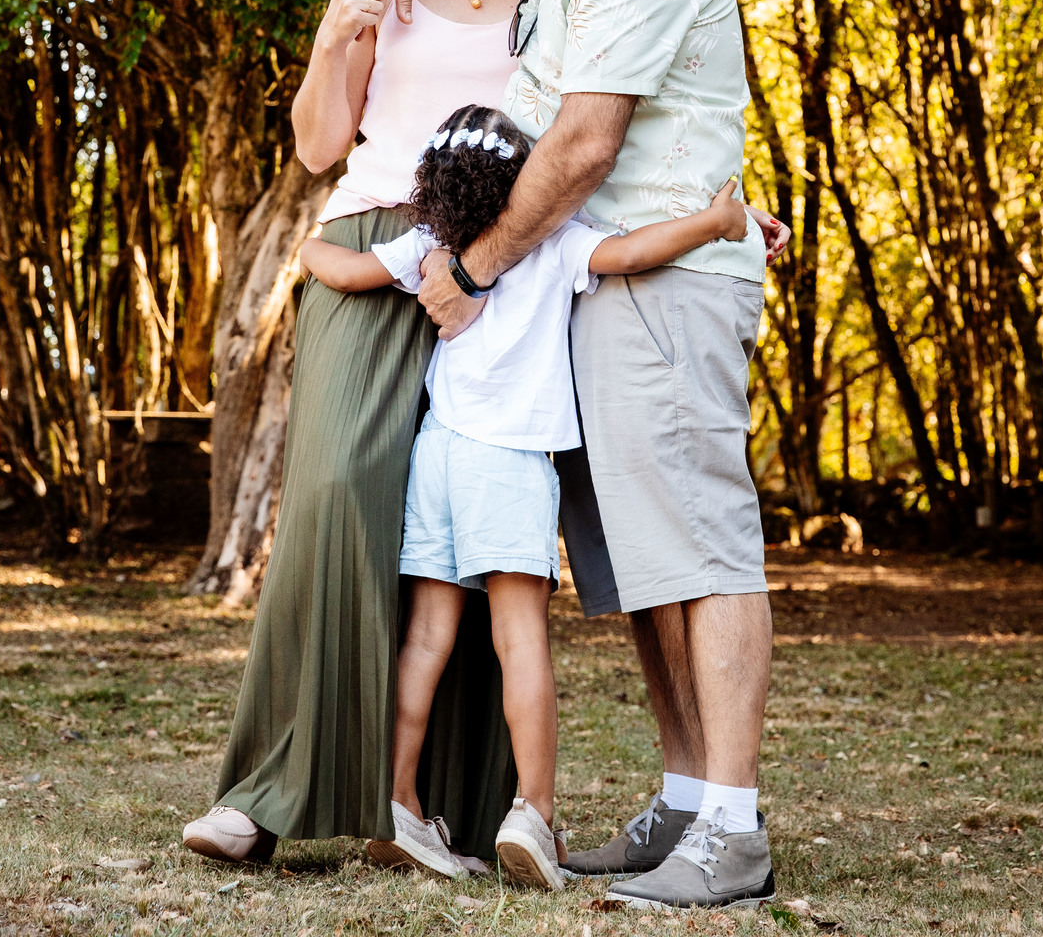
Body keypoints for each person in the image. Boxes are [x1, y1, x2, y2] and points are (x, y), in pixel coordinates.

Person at [353, 0, 791, 911]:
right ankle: (689, 801)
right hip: (601, 289)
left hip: (665, 277)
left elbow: (588, 142)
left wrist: (473, 272)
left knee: (703, 549)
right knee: (644, 567)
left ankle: (734, 831)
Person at [182, 0, 526, 867]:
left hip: (500, 257)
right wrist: (338, 35)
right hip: (372, 237)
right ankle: (266, 791)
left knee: (467, 529)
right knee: (336, 494)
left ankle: (433, 803)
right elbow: (319, 145)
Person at [299, 102, 759, 892]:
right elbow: (632, 251)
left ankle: (402, 803)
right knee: (520, 643)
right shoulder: (553, 241)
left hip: (436, 457)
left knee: (426, 639)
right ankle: (533, 814)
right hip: (508, 466)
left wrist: (310, 240)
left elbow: (334, 266)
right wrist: (716, 223)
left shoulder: (428, 249)